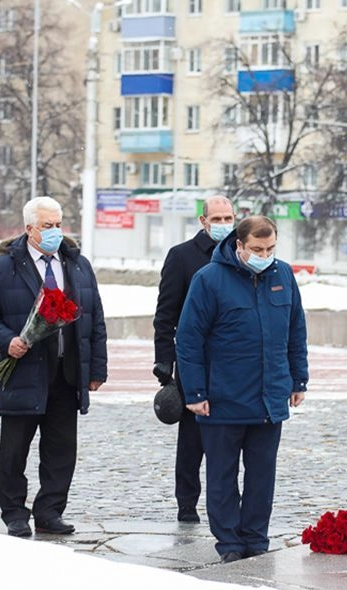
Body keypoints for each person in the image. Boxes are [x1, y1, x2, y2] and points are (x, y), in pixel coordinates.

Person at [176, 215, 308, 563]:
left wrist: (298, 379)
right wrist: (195, 393)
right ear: (239, 246)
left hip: (269, 397)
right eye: (257, 249)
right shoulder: (209, 279)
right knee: (222, 476)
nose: (265, 254)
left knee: (262, 476)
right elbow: (189, 340)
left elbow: (295, 331)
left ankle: (256, 539)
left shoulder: (283, 276)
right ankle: (230, 543)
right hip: (222, 398)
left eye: (270, 248)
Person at [0, 196, 107, 538]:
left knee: (61, 450)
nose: (55, 233)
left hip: (67, 372)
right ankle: (15, 513)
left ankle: (50, 511)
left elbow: (94, 319)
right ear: (29, 228)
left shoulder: (77, 265)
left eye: (59, 225)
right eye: (47, 226)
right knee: (14, 450)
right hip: (23, 370)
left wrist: (96, 369)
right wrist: (7, 341)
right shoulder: (4, 267)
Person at [153, 195, 235, 524]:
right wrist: (164, 361)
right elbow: (165, 315)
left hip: (231, 361)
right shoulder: (182, 257)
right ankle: (186, 501)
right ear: (203, 221)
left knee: (229, 434)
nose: (223, 225)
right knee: (192, 438)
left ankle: (227, 497)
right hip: (193, 360)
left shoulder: (240, 255)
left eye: (228, 218)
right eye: (217, 219)